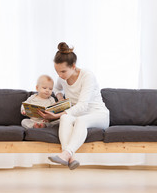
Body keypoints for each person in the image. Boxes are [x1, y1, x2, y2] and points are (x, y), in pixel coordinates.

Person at [37, 42, 110, 170]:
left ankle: (67, 153)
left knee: (79, 120)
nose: (60, 75)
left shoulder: (87, 76)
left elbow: (82, 106)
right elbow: (56, 87)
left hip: (98, 114)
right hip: (78, 114)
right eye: (57, 71)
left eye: (63, 71)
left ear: (73, 66)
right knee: (65, 118)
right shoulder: (62, 78)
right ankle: (70, 158)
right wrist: (60, 98)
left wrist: (56, 115)